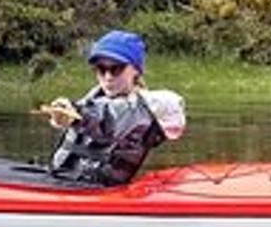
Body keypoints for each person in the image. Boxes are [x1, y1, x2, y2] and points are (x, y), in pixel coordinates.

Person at [40, 30, 187, 187]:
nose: (108, 77)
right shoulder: (95, 99)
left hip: (97, 188)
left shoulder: (143, 109)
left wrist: (76, 114)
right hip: (62, 177)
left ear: (136, 70)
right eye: (101, 69)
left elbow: (108, 120)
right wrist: (63, 113)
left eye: (116, 69)